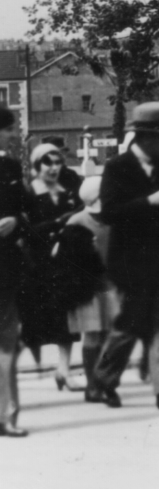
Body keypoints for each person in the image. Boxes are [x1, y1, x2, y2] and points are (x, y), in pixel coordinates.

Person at [90, 101, 159, 411]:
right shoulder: (117, 167)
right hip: (130, 262)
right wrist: (150, 200)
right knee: (129, 326)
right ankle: (102, 381)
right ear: (146, 137)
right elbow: (109, 213)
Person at [24, 142, 82, 390]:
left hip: (65, 263)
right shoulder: (28, 193)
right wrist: (57, 223)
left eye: (58, 163)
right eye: (48, 163)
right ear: (37, 166)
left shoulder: (68, 190)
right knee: (32, 321)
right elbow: (25, 230)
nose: (54, 168)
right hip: (37, 265)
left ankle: (64, 370)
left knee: (67, 319)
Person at [55, 176, 120, 399]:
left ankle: (103, 381)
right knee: (92, 337)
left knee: (110, 336)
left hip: (112, 286)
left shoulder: (114, 218)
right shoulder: (76, 221)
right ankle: (93, 385)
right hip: (88, 290)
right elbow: (65, 259)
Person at [0, 106, 32, 437]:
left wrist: (16, 222)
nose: (13, 136)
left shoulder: (10, 166)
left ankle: (6, 414)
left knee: (7, 343)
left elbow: (26, 210)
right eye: (9, 129)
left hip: (6, 269)